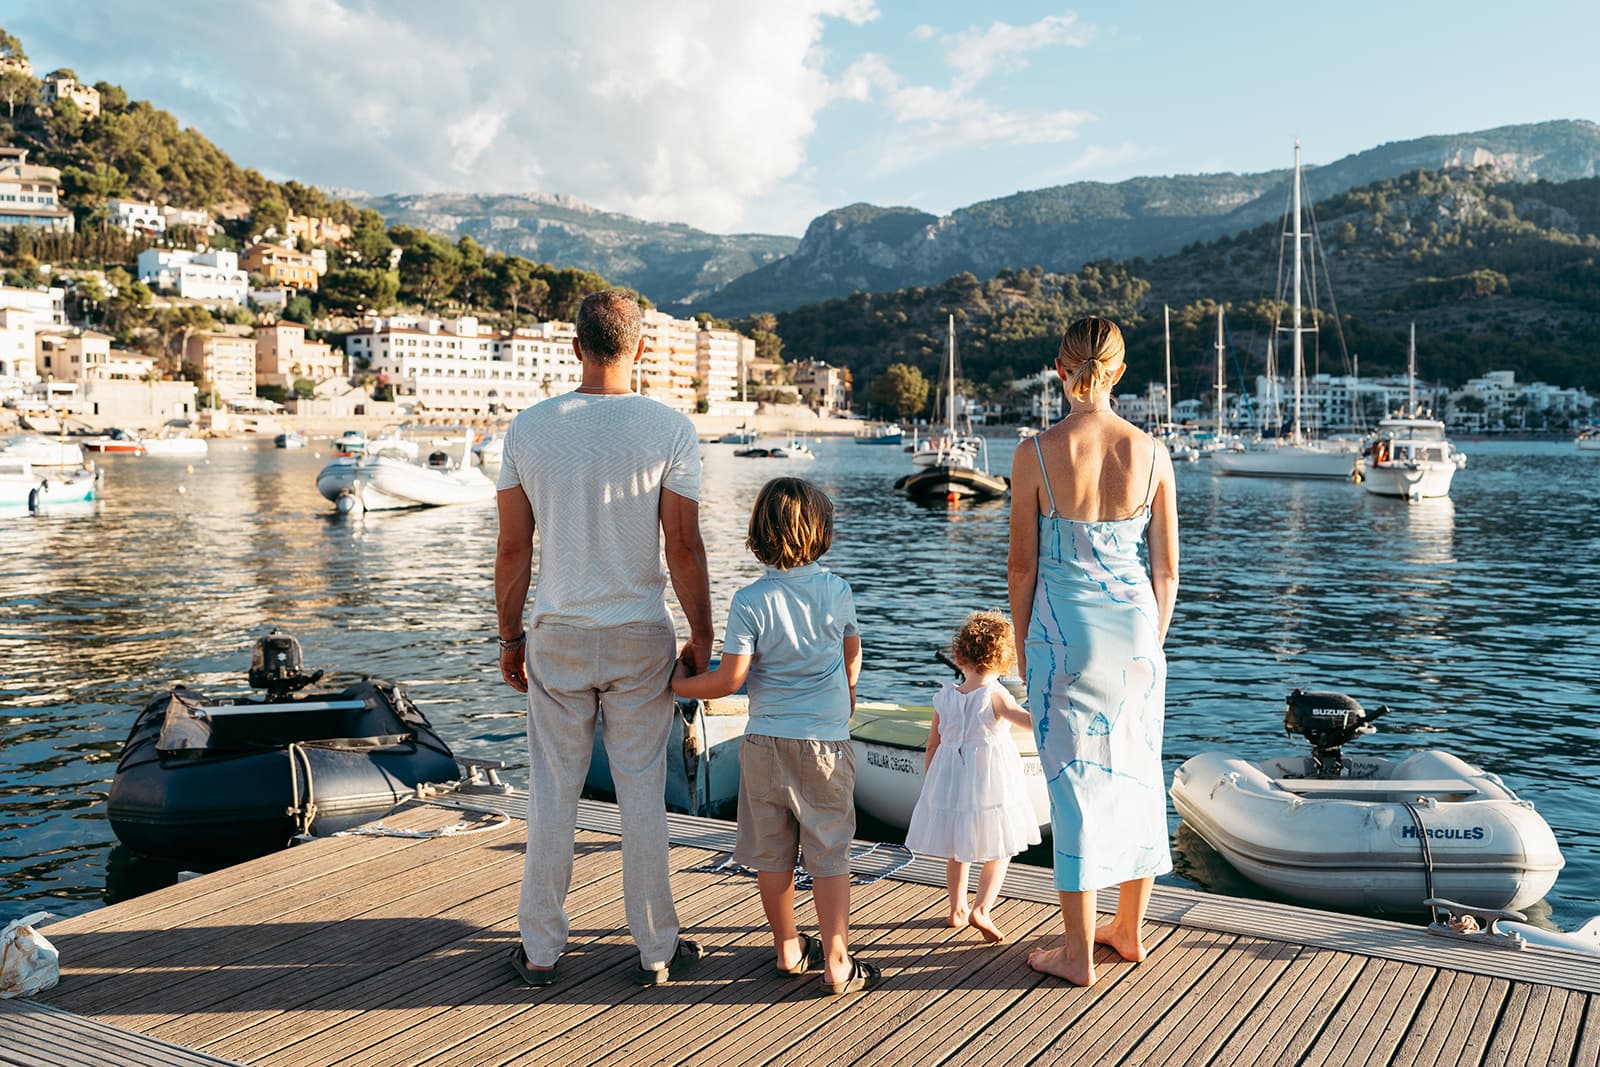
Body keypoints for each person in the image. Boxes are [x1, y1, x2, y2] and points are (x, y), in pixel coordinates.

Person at [495, 288, 714, 987]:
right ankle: (656, 948)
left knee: (553, 793)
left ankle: (539, 950)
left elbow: (512, 550)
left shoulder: (528, 429)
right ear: (640, 348)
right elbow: (684, 546)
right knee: (643, 793)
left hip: (556, 633)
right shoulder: (669, 427)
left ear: (575, 347)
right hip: (638, 635)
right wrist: (703, 633)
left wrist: (509, 638)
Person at [1007, 315, 1180, 987]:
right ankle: (1129, 929)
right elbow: (1166, 572)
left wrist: (1026, 648)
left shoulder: (1034, 452)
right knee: (1138, 770)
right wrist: (1150, 644)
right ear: (1120, 371)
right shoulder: (1155, 453)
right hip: (1138, 632)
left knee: (1074, 783)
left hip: (1063, 629)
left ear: (1060, 369)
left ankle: (1078, 950)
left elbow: (1023, 568)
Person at [671, 477, 876, 995]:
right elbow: (851, 652)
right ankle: (835, 960)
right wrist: (847, 692)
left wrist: (678, 683)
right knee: (830, 854)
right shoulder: (838, 591)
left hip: (763, 743)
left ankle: (787, 947)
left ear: (758, 532)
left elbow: (730, 680)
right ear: (820, 532)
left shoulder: (750, 600)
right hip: (826, 744)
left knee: (772, 853)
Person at [904, 611, 1039, 944]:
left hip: (950, 776)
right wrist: (1053, 713)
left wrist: (932, 784)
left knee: (957, 846)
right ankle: (982, 908)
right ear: (1005, 661)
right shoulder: (995, 694)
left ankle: (957, 909)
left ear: (958, 656)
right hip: (990, 779)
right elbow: (1026, 722)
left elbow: (932, 745)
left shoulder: (945, 696)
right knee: (1000, 847)